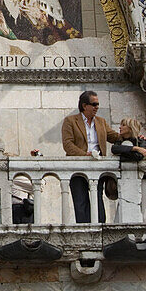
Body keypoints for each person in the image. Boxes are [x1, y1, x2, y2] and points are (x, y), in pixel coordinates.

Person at [61, 91, 121, 223]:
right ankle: (84, 230)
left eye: (98, 104)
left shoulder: (101, 122)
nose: (97, 107)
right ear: (84, 105)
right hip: (78, 166)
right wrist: (84, 155)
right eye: (94, 104)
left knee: (97, 199)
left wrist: (133, 136)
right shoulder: (70, 121)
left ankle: (101, 228)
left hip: (97, 166)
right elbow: (68, 144)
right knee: (80, 201)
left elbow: (115, 137)